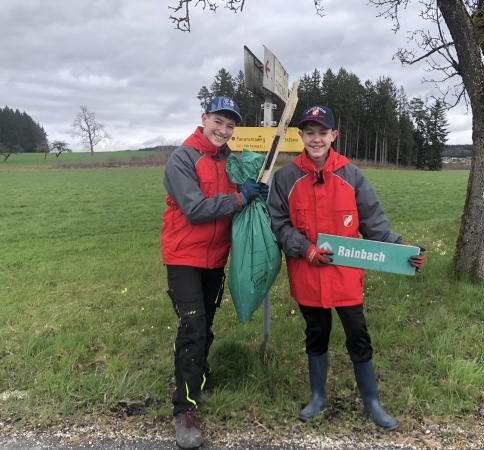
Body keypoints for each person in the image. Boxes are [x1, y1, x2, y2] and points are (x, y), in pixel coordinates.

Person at [267, 105, 424, 430]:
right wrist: (305, 249)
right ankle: (318, 397)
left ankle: (372, 403)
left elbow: (374, 223)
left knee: (358, 335)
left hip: (346, 279)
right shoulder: (285, 178)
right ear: (301, 136)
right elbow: (278, 224)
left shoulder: (352, 175)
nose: (316, 139)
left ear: (333, 135)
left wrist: (401, 250)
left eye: (322, 132)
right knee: (316, 335)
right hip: (307, 277)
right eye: (309, 132)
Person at [160, 96, 267, 449]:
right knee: (192, 325)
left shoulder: (228, 163)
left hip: (214, 258)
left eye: (230, 126)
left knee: (203, 325)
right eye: (218, 122)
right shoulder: (183, 158)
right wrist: (239, 199)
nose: (223, 130)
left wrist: (254, 190)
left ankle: (198, 381)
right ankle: (184, 410)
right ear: (204, 118)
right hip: (183, 257)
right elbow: (194, 208)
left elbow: (241, 195)